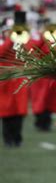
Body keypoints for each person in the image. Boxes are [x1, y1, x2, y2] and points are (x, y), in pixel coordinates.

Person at [0, 12, 29, 147]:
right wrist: (12, 38)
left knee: (19, 113)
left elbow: (29, 51)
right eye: (7, 31)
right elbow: (3, 51)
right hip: (5, 84)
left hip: (18, 82)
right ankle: (8, 140)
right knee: (7, 114)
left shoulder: (19, 42)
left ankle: (18, 139)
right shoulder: (4, 43)